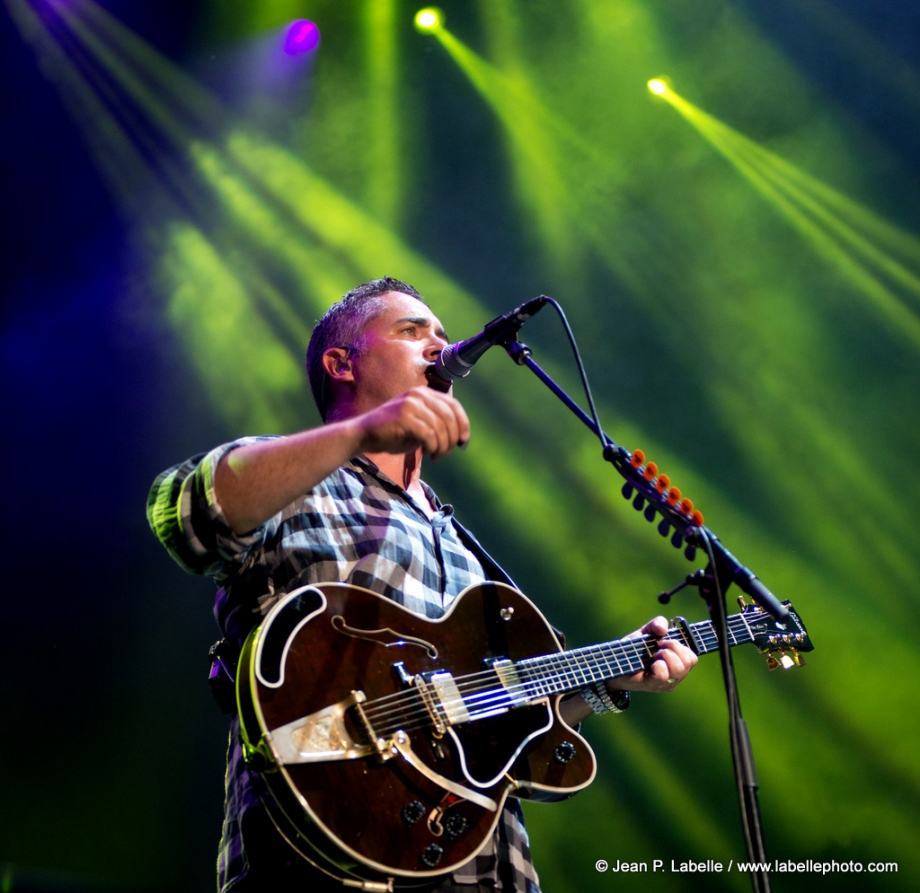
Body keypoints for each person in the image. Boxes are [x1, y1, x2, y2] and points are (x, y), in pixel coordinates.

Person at [147, 277, 698, 893]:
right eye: (412, 332)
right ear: (342, 362)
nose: (439, 345)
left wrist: (610, 681)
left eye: (441, 332)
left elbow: (507, 729)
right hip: (329, 848)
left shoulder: (467, 552)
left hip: (482, 863)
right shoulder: (293, 476)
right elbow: (188, 513)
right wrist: (359, 433)